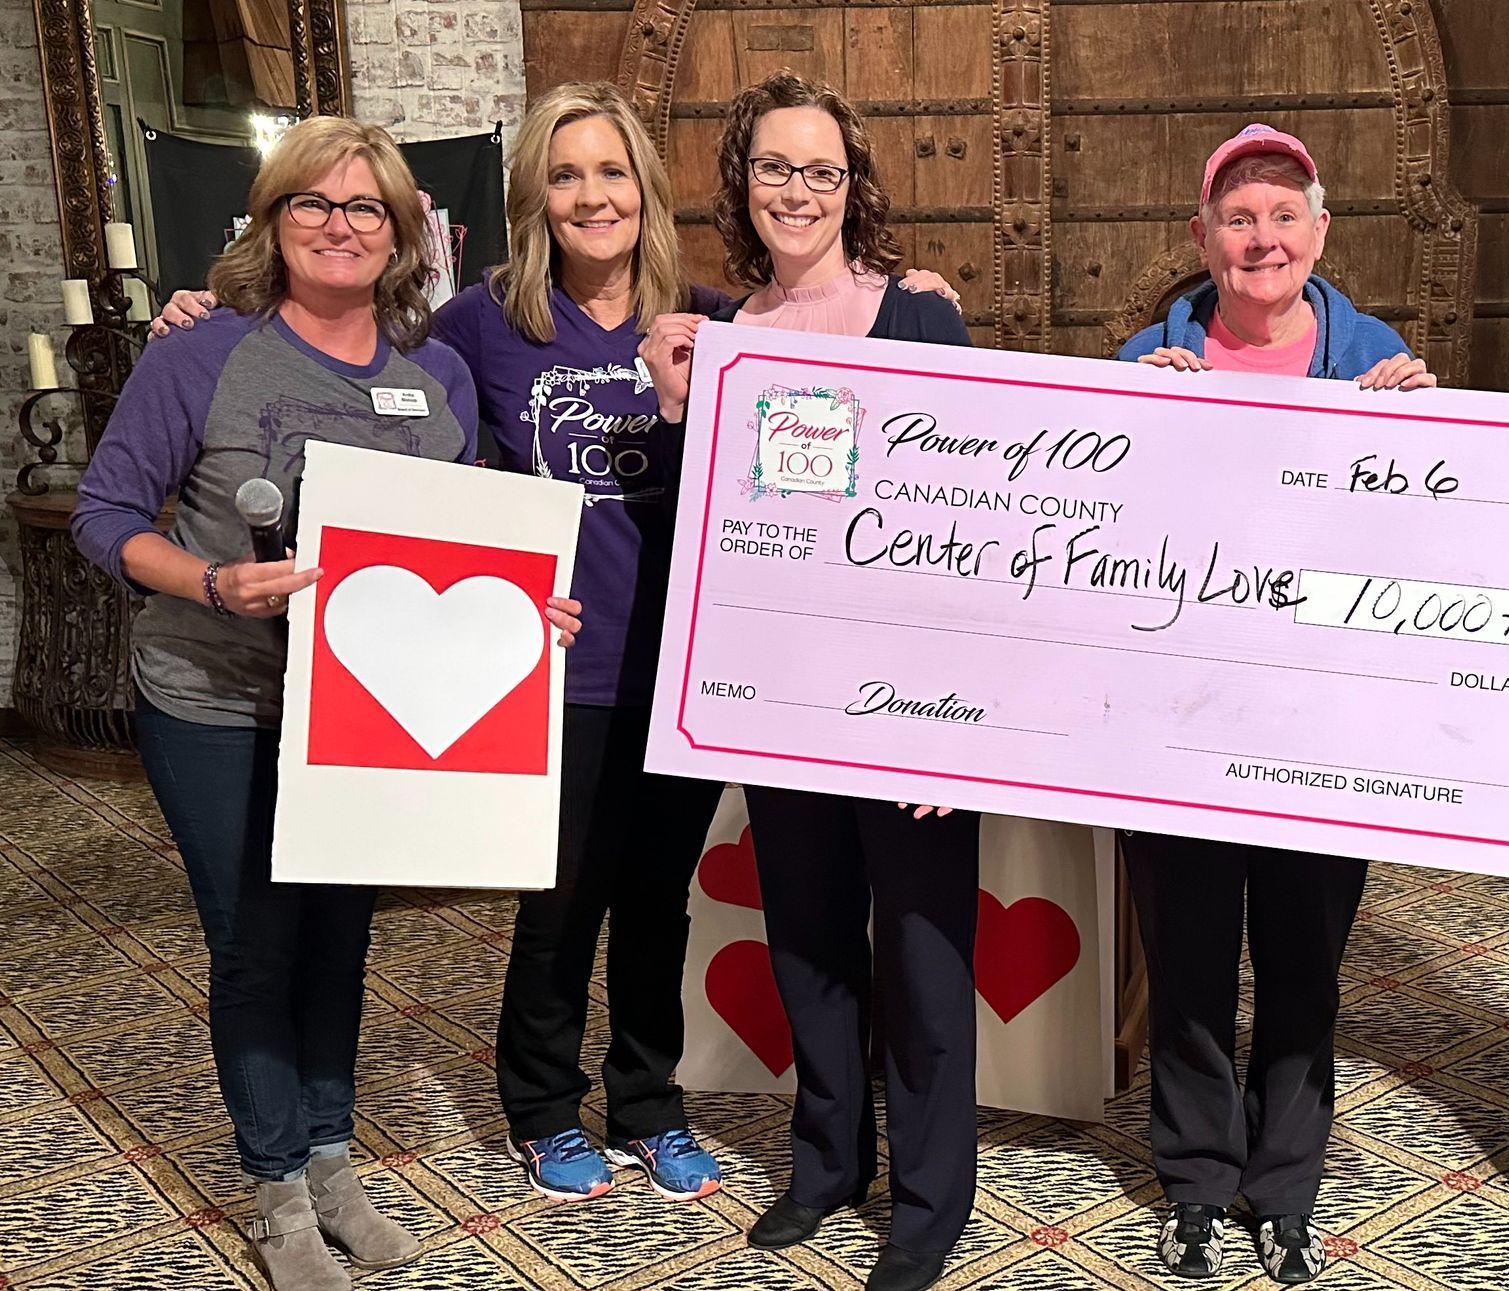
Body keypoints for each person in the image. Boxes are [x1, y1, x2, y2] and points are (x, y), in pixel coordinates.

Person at [150, 82, 960, 1208]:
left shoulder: (722, 322)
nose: (594, 195)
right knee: (560, 894)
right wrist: (213, 310)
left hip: (682, 663)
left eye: (614, 173)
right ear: (538, 195)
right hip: (549, 661)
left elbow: (830, 395)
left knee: (658, 894)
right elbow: (354, 352)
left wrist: (912, 290)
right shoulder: (478, 326)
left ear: (646, 191)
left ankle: (648, 1098)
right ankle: (540, 1103)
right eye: (568, 174)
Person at [70, 116, 582, 1291]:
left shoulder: (435, 373)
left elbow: (470, 549)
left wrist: (527, 610)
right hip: (214, 696)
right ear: (273, 220)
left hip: (360, 716)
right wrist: (210, 580)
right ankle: (280, 1190)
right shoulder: (200, 355)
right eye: (313, 203)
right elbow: (105, 515)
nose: (339, 226)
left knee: (341, 939)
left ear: (405, 233)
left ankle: (334, 1158)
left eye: (366, 208)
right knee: (255, 944)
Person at [640, 70, 976, 1291]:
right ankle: (829, 1160)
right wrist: (680, 413)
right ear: (741, 183)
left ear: (853, 186)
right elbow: (710, 540)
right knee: (813, 947)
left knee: (927, 963)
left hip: (913, 713)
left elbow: (976, 526)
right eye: (775, 167)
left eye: (819, 169)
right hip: (783, 704)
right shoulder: (726, 345)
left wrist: (952, 721)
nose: (797, 189)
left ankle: (931, 1201)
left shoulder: (923, 319)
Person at [1113, 124, 1433, 1285]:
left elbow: (1424, 544)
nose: (1262, 237)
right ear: (1202, 237)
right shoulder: (1146, 359)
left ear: (1320, 232)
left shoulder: (1378, 358)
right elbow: (1086, 535)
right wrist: (1119, 419)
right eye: (1238, 217)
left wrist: (1432, 430)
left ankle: (1285, 1182)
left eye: (1283, 214)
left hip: (1320, 733)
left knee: (1305, 964)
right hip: (1182, 727)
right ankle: (1197, 1179)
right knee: (1189, 963)